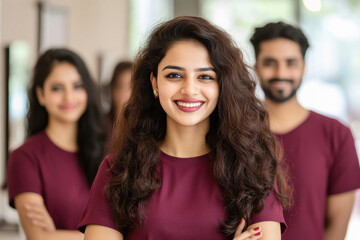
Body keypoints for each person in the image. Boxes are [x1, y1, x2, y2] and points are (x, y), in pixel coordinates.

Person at [79, 16, 290, 240]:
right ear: (154, 82)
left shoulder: (254, 171)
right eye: (175, 75)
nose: (190, 89)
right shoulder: (117, 171)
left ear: (222, 85)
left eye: (205, 77)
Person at [250, 21, 360, 240]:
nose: (281, 72)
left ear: (304, 67)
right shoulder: (235, 132)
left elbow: (337, 228)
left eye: (291, 63)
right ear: (256, 68)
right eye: (270, 62)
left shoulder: (336, 134)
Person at [7, 48, 106, 240]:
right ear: (41, 94)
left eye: (77, 86)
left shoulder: (109, 148)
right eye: (57, 88)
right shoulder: (25, 157)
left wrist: (58, 235)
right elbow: (39, 237)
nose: (69, 97)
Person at [106, 61, 133, 150]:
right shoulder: (99, 126)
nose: (128, 95)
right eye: (122, 87)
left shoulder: (147, 128)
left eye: (133, 88)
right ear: (112, 89)